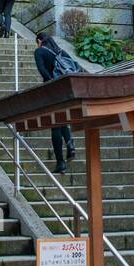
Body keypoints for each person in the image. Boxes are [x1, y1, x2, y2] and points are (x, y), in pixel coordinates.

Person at [34, 32, 76, 173]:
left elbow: (42, 71)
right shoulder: (59, 51)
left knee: (55, 125)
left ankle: (60, 162)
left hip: (52, 90)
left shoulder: (39, 51)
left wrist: (51, 82)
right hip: (65, 89)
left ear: (39, 41)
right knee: (61, 118)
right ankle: (70, 143)